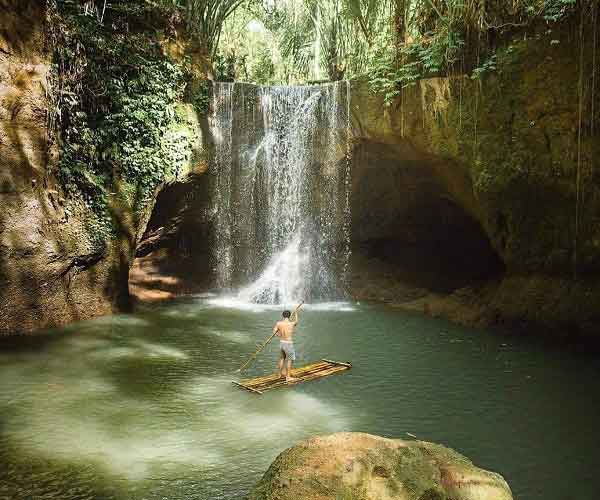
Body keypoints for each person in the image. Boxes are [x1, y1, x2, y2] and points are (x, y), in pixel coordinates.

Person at [273, 306, 301, 382]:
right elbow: (296, 321)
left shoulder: (278, 323)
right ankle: (288, 377)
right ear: (289, 316)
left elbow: (274, 332)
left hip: (281, 342)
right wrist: (296, 313)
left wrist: (279, 334)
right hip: (288, 343)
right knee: (290, 359)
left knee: (282, 358)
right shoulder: (291, 324)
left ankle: (279, 374)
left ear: (283, 315)